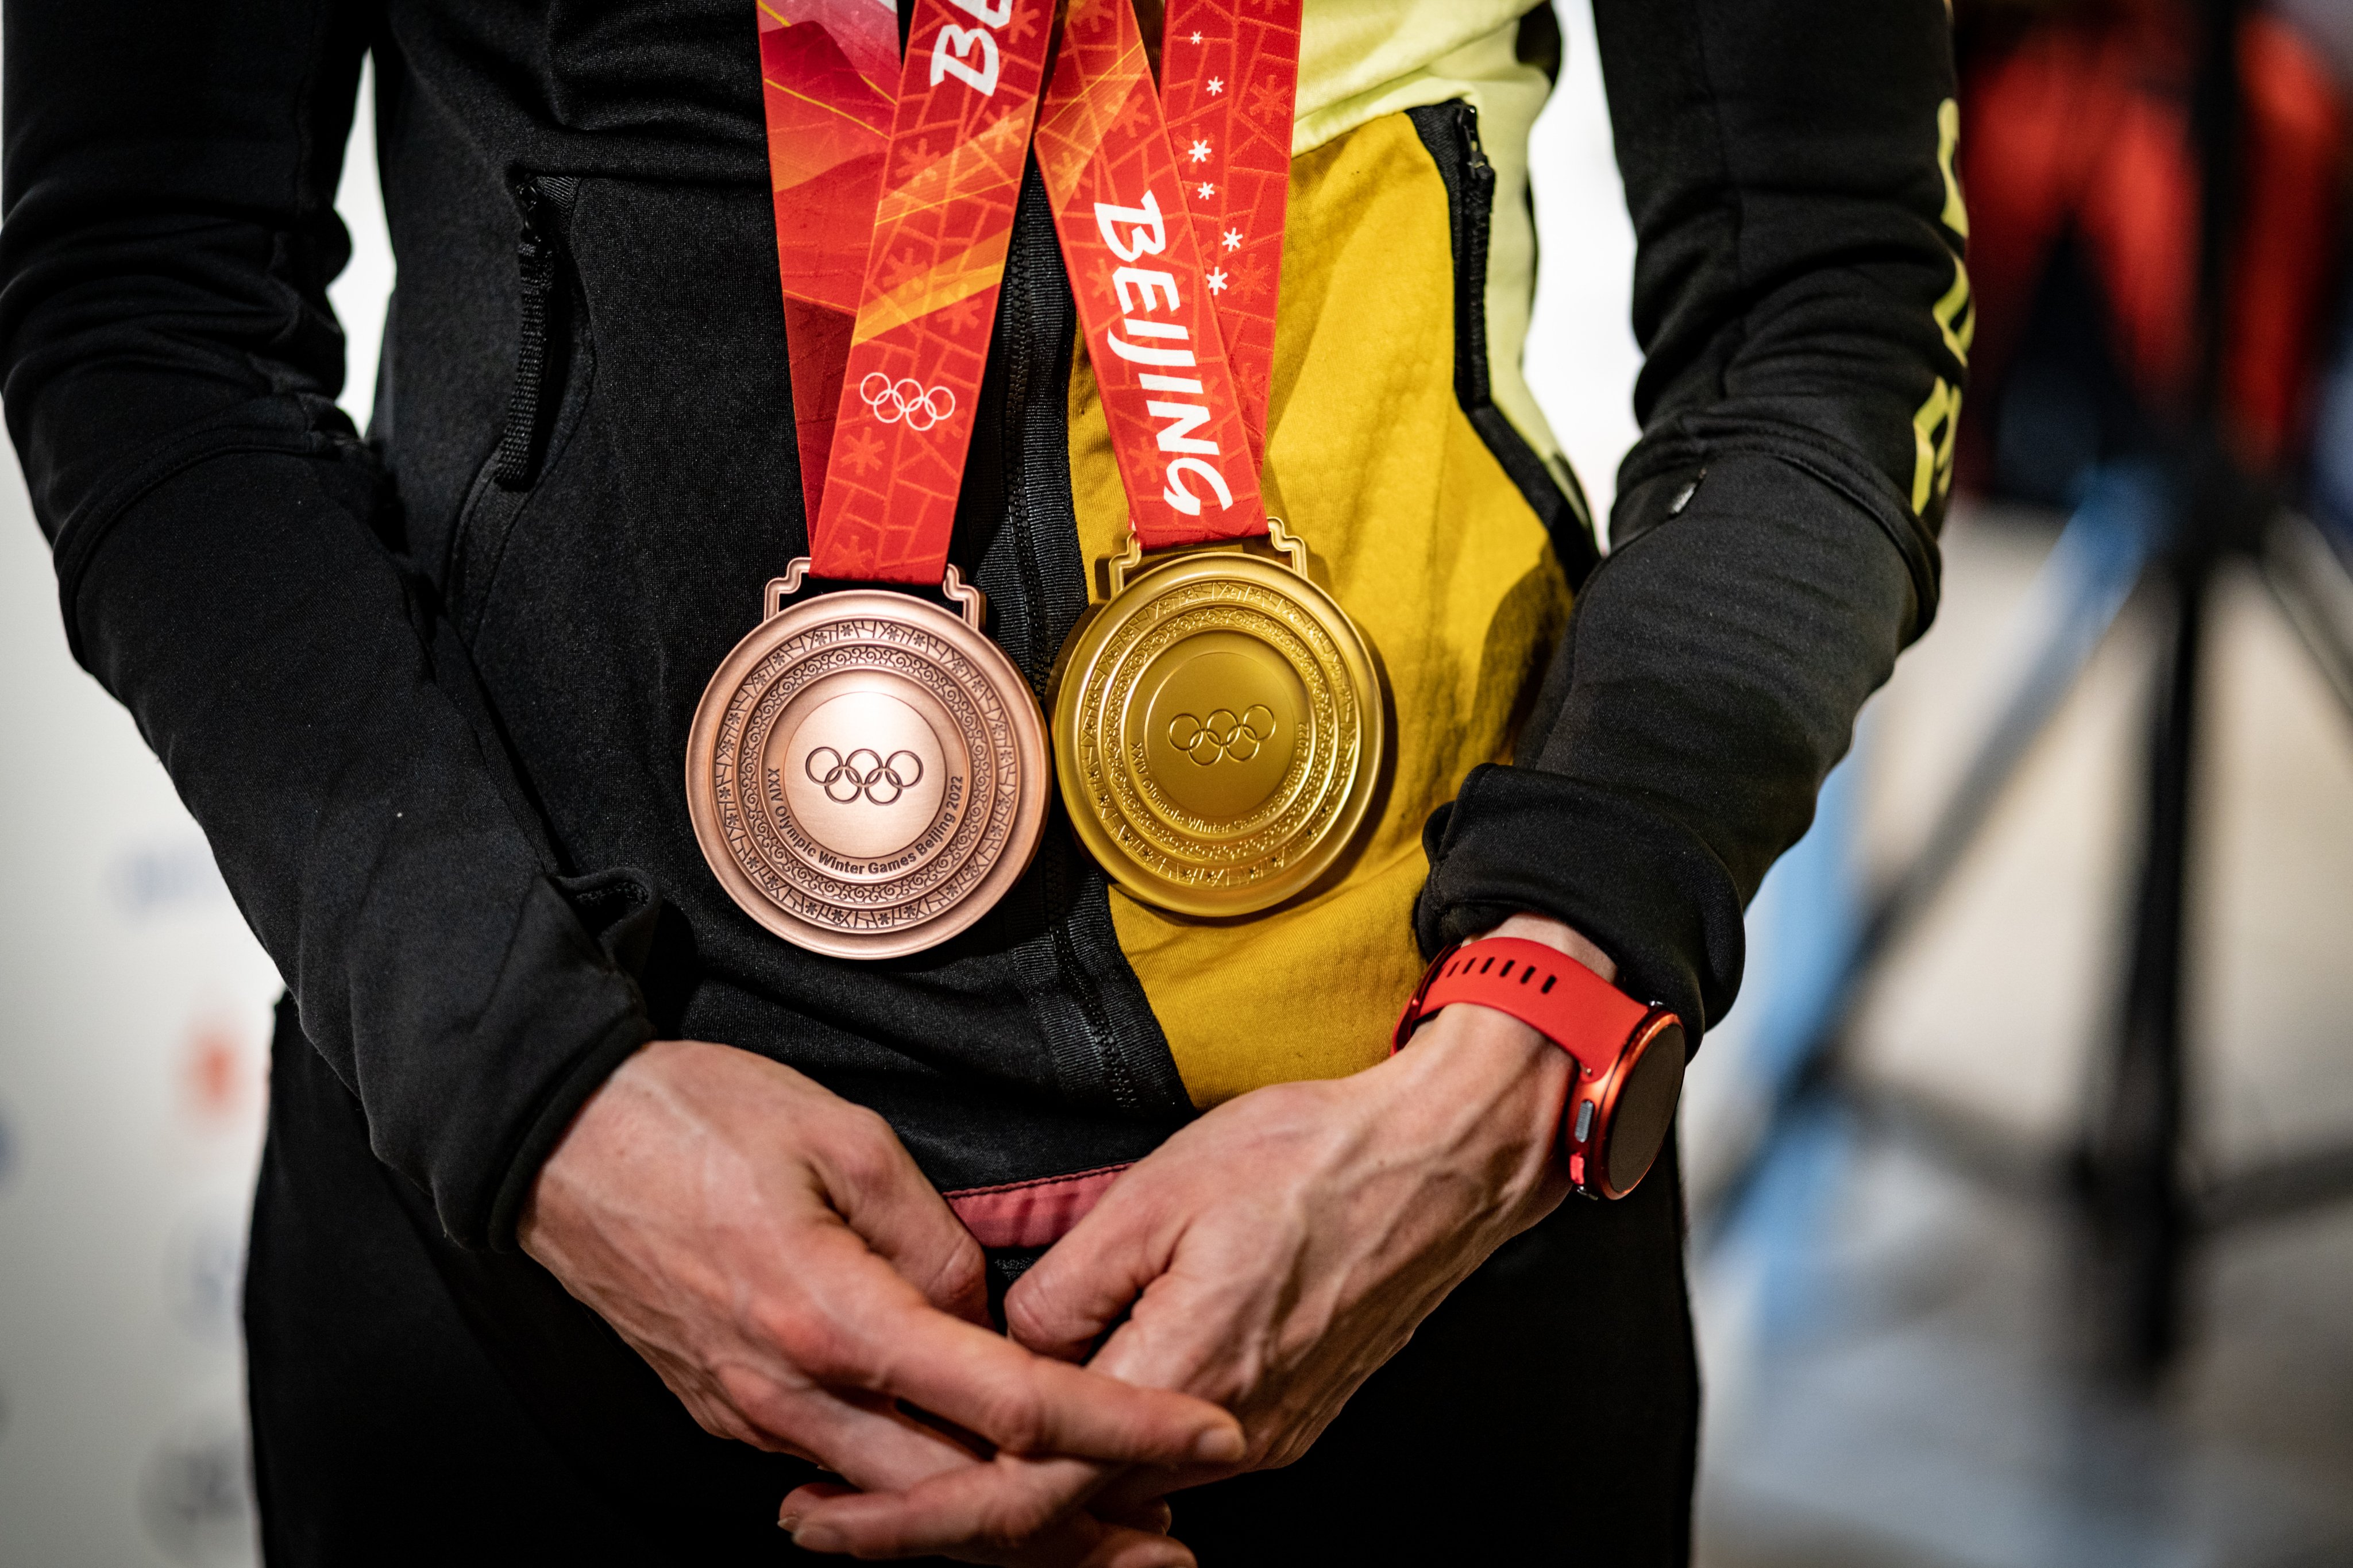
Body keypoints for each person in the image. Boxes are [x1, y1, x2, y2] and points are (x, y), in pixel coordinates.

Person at [0, 0, 1965, 1562]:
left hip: (1418, 1220)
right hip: (548, 1270)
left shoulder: (1449, 1159)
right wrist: (527, 1093)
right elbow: (149, 317)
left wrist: (1525, 1046)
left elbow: (1827, 308)